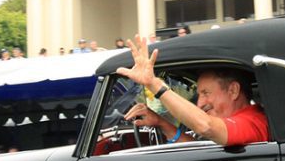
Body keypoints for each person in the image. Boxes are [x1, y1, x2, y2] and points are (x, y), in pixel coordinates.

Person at [114, 35, 270, 146]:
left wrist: (153, 84)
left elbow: (206, 126)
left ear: (233, 91)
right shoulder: (239, 122)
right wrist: (161, 123)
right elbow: (204, 152)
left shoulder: (253, 121)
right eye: (199, 94)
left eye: (206, 93)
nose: (200, 103)